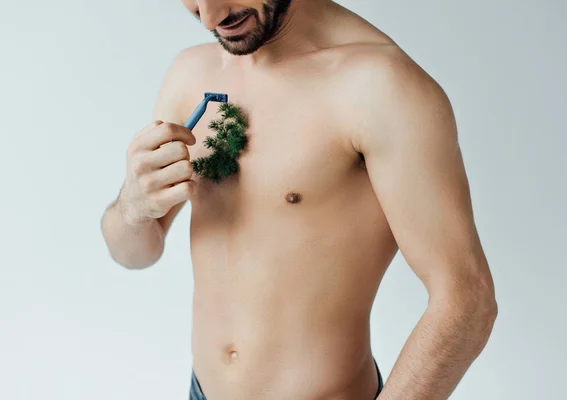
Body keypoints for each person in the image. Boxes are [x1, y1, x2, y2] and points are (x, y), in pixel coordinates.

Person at [100, 0, 498, 399]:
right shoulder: (191, 72)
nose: (208, 17)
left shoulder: (379, 86)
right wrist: (133, 208)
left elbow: (466, 301)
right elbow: (134, 254)